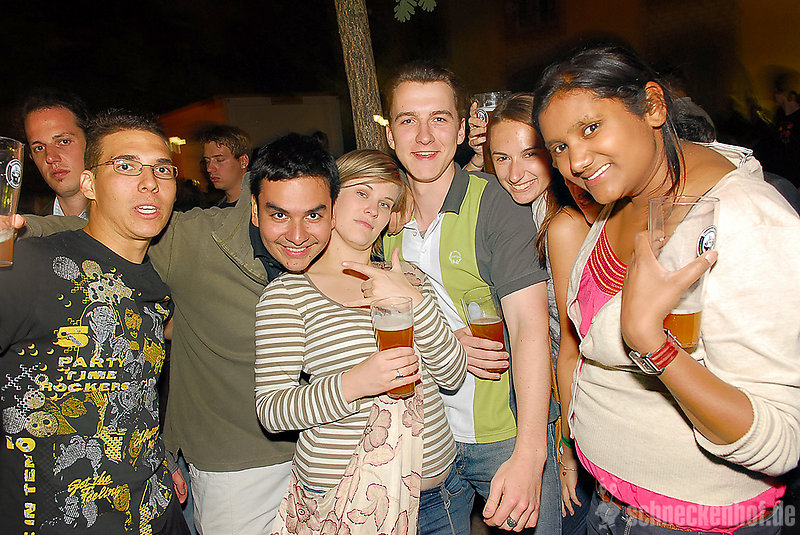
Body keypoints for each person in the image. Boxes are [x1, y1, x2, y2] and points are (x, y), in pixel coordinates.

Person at [533, 44, 800, 534]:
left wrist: (651, 343)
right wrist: (571, 439)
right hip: (608, 501)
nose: (576, 161)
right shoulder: (622, 198)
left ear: (653, 105)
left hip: (686, 521)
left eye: (590, 128)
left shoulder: (746, 218)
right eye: (558, 147)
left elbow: (781, 441)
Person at [18, 133, 339, 535]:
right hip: (237, 466)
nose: (297, 234)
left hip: (331, 453)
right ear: (255, 210)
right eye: (279, 215)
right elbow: (102, 231)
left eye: (313, 216)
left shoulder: (344, 249)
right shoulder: (198, 242)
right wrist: (22, 229)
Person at [255, 149, 468, 534]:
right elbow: (272, 411)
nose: (373, 209)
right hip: (346, 498)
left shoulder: (410, 276)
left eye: (385, 203)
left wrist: (411, 298)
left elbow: (452, 375)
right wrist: (355, 383)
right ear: (331, 200)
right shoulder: (289, 294)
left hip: (436, 498)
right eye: (363, 193)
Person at [382, 61, 552, 533]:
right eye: (408, 121)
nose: (424, 136)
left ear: (461, 131)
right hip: (421, 438)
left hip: (501, 434)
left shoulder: (495, 202)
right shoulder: (378, 214)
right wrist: (443, 338)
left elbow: (529, 327)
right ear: (390, 135)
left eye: (438, 119)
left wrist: (531, 453)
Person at [1, 110, 189, 533]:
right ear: (89, 185)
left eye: (162, 169)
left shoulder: (156, 285)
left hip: (156, 513)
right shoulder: (33, 266)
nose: (150, 182)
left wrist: (158, 457)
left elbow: (131, 391)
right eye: (126, 166)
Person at [483, 92, 598, 534]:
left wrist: (567, 447)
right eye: (502, 158)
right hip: (540, 398)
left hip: (573, 405)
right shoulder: (517, 212)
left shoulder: (566, 222)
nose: (515, 173)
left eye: (529, 154)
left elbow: (575, 343)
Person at [21, 88, 91, 218]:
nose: (50, 157)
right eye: (39, 148)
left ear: (91, 143)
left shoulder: (127, 221)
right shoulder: (31, 228)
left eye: (64, 142)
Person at [198, 124, 251, 207]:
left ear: (243, 161)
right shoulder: (217, 209)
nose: (209, 169)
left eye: (219, 160)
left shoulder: (262, 205)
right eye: (207, 161)